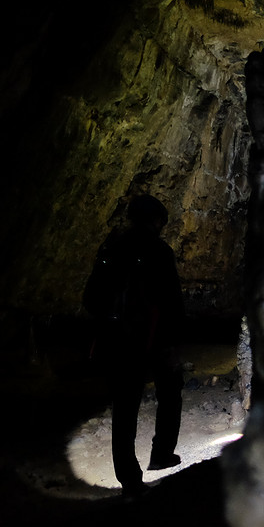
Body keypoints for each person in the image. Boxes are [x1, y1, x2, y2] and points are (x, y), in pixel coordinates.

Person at [83, 194, 186, 498]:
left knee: (125, 409)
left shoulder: (111, 248)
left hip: (119, 341)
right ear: (155, 221)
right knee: (170, 392)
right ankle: (162, 453)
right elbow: (172, 303)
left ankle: (129, 479)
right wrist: (173, 342)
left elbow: (92, 300)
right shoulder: (159, 251)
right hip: (152, 337)